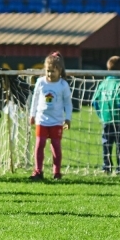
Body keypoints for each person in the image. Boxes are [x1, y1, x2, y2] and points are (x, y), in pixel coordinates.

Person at [29, 52, 72, 180]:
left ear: (59, 71)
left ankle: (56, 172)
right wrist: (32, 114)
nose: (49, 74)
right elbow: (35, 99)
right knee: (39, 144)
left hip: (57, 121)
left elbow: (68, 103)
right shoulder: (41, 82)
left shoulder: (63, 85)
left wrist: (68, 118)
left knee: (56, 146)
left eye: (53, 71)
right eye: (48, 71)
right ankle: (38, 171)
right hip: (41, 119)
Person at [92, 56, 120, 175]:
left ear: (108, 69)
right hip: (118, 120)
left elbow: (94, 101)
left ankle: (106, 167)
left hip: (106, 119)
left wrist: (101, 114)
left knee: (106, 144)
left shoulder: (103, 83)